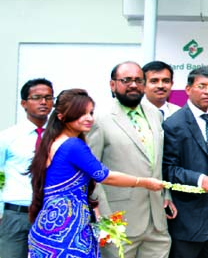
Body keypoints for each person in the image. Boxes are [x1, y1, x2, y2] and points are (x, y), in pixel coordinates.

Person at [28, 89, 164, 257]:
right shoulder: (73, 146)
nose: (89, 118)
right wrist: (144, 182)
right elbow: (105, 176)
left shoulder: (52, 141)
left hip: (49, 225)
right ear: (62, 116)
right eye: (81, 113)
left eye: (90, 113)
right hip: (68, 231)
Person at [88, 61, 174, 258]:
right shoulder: (99, 119)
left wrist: (166, 194)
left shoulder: (154, 114)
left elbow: (158, 161)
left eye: (138, 80)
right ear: (113, 85)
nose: (133, 85)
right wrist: (106, 219)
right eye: (126, 80)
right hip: (120, 220)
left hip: (156, 221)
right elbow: (93, 172)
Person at [162, 67, 208, 258]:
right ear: (188, 89)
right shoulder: (174, 124)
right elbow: (168, 169)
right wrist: (199, 179)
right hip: (190, 216)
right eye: (202, 86)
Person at [0, 78, 53, 258]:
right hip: (16, 214)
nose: (43, 102)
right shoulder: (8, 137)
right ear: (24, 103)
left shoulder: (59, 138)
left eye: (48, 97)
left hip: (51, 214)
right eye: (37, 97)